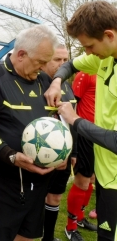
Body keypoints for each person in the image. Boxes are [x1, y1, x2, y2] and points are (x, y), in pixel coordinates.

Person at [0, 24, 61, 241]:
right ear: (21, 54)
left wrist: (60, 152)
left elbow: (51, 123)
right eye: (41, 62)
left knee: (28, 236)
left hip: (37, 184)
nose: (45, 67)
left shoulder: (44, 81)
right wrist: (11, 155)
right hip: (2, 185)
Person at [44, 0, 117, 241]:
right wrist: (56, 81)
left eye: (89, 46)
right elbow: (71, 65)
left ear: (109, 35)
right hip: (106, 175)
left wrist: (74, 120)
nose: (87, 53)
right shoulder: (104, 58)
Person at [40, 44, 77, 241]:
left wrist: (74, 153)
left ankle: (48, 237)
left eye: (65, 60)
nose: (62, 64)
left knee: (55, 197)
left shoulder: (67, 87)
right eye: (57, 60)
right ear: (45, 60)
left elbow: (73, 121)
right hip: (41, 154)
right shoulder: (36, 84)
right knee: (36, 198)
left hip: (64, 153)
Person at [64, 72, 97, 241]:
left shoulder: (107, 71)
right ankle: (70, 227)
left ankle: (81, 218)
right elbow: (72, 106)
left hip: (101, 135)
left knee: (91, 179)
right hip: (85, 134)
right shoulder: (86, 73)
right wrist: (74, 146)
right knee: (82, 182)